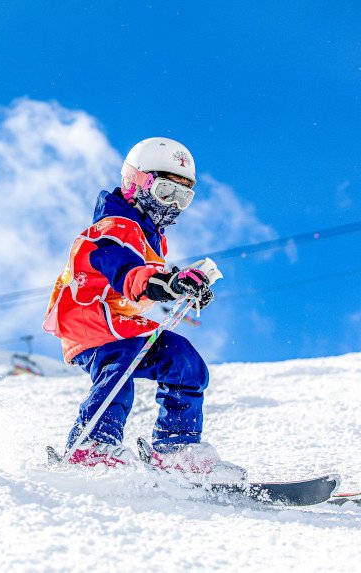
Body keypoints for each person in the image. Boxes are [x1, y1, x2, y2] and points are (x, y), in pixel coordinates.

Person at [43, 137, 245, 481]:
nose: (174, 205)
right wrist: (165, 282)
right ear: (135, 183)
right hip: (87, 319)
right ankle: (92, 447)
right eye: (166, 192)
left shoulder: (152, 237)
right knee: (120, 364)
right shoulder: (111, 229)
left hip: (119, 323)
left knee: (183, 359)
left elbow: (144, 281)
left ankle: (176, 449)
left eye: (184, 197)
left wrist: (182, 285)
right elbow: (124, 270)